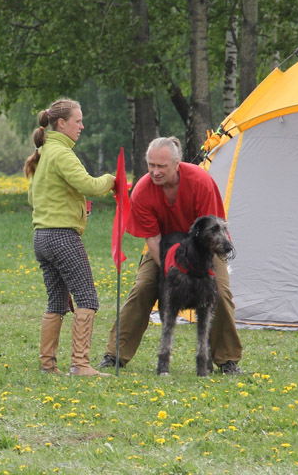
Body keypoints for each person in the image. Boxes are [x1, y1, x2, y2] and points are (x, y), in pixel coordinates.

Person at [97, 136, 244, 374]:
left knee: (220, 290)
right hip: (164, 250)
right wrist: (172, 272)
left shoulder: (201, 182)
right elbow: (153, 240)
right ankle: (114, 355)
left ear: (177, 164)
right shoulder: (143, 191)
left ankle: (227, 360)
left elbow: (214, 233)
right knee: (143, 287)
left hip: (206, 248)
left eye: (161, 166)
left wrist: (197, 271)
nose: (154, 172)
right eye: (151, 165)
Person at [25, 98, 116, 377]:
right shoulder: (62, 154)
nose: (82, 126)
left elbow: (32, 196)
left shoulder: (44, 153)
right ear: (61, 123)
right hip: (62, 236)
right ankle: (80, 364)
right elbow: (88, 184)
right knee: (87, 299)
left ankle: (48, 365)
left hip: (41, 236)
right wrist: (112, 180)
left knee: (56, 302)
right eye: (78, 121)